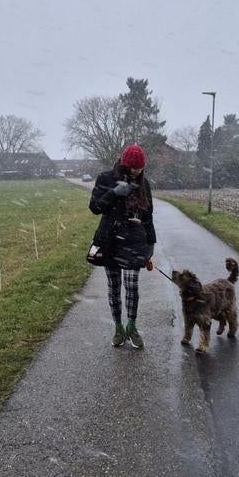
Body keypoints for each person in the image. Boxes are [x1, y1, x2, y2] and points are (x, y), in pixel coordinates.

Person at [88, 144, 156, 348]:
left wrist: (151, 244)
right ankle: (118, 329)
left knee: (132, 286)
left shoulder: (145, 185)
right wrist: (114, 193)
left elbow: (148, 216)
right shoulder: (105, 178)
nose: (137, 172)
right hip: (110, 241)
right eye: (133, 168)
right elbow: (95, 208)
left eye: (140, 168)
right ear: (124, 164)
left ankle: (131, 326)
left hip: (135, 241)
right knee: (114, 287)